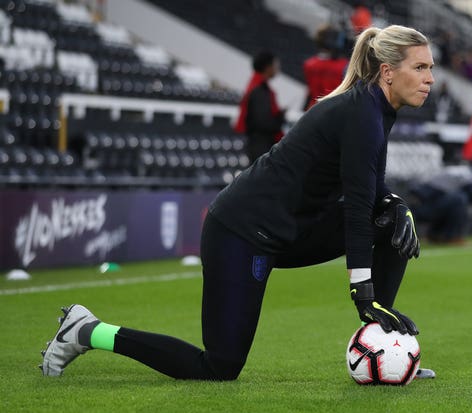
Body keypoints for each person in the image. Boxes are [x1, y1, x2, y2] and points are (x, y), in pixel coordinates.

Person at [41, 25, 434, 381]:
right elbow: (356, 207)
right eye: (419, 68)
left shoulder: (376, 109)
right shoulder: (363, 112)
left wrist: (395, 203)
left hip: (286, 228)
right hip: (240, 232)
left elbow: (369, 186)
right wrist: (362, 292)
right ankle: (87, 330)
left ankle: (387, 347)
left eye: (430, 68)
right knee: (219, 366)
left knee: (394, 217)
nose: (429, 79)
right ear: (387, 72)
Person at [235, 51, 285, 163]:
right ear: (267, 67)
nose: (277, 68)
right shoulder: (259, 90)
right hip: (261, 144)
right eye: (275, 65)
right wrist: (280, 118)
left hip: (258, 142)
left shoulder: (257, 86)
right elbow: (263, 122)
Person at [303, 25, 349, 110]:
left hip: (312, 110)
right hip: (334, 112)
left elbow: (310, 92)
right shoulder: (344, 67)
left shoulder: (309, 64)